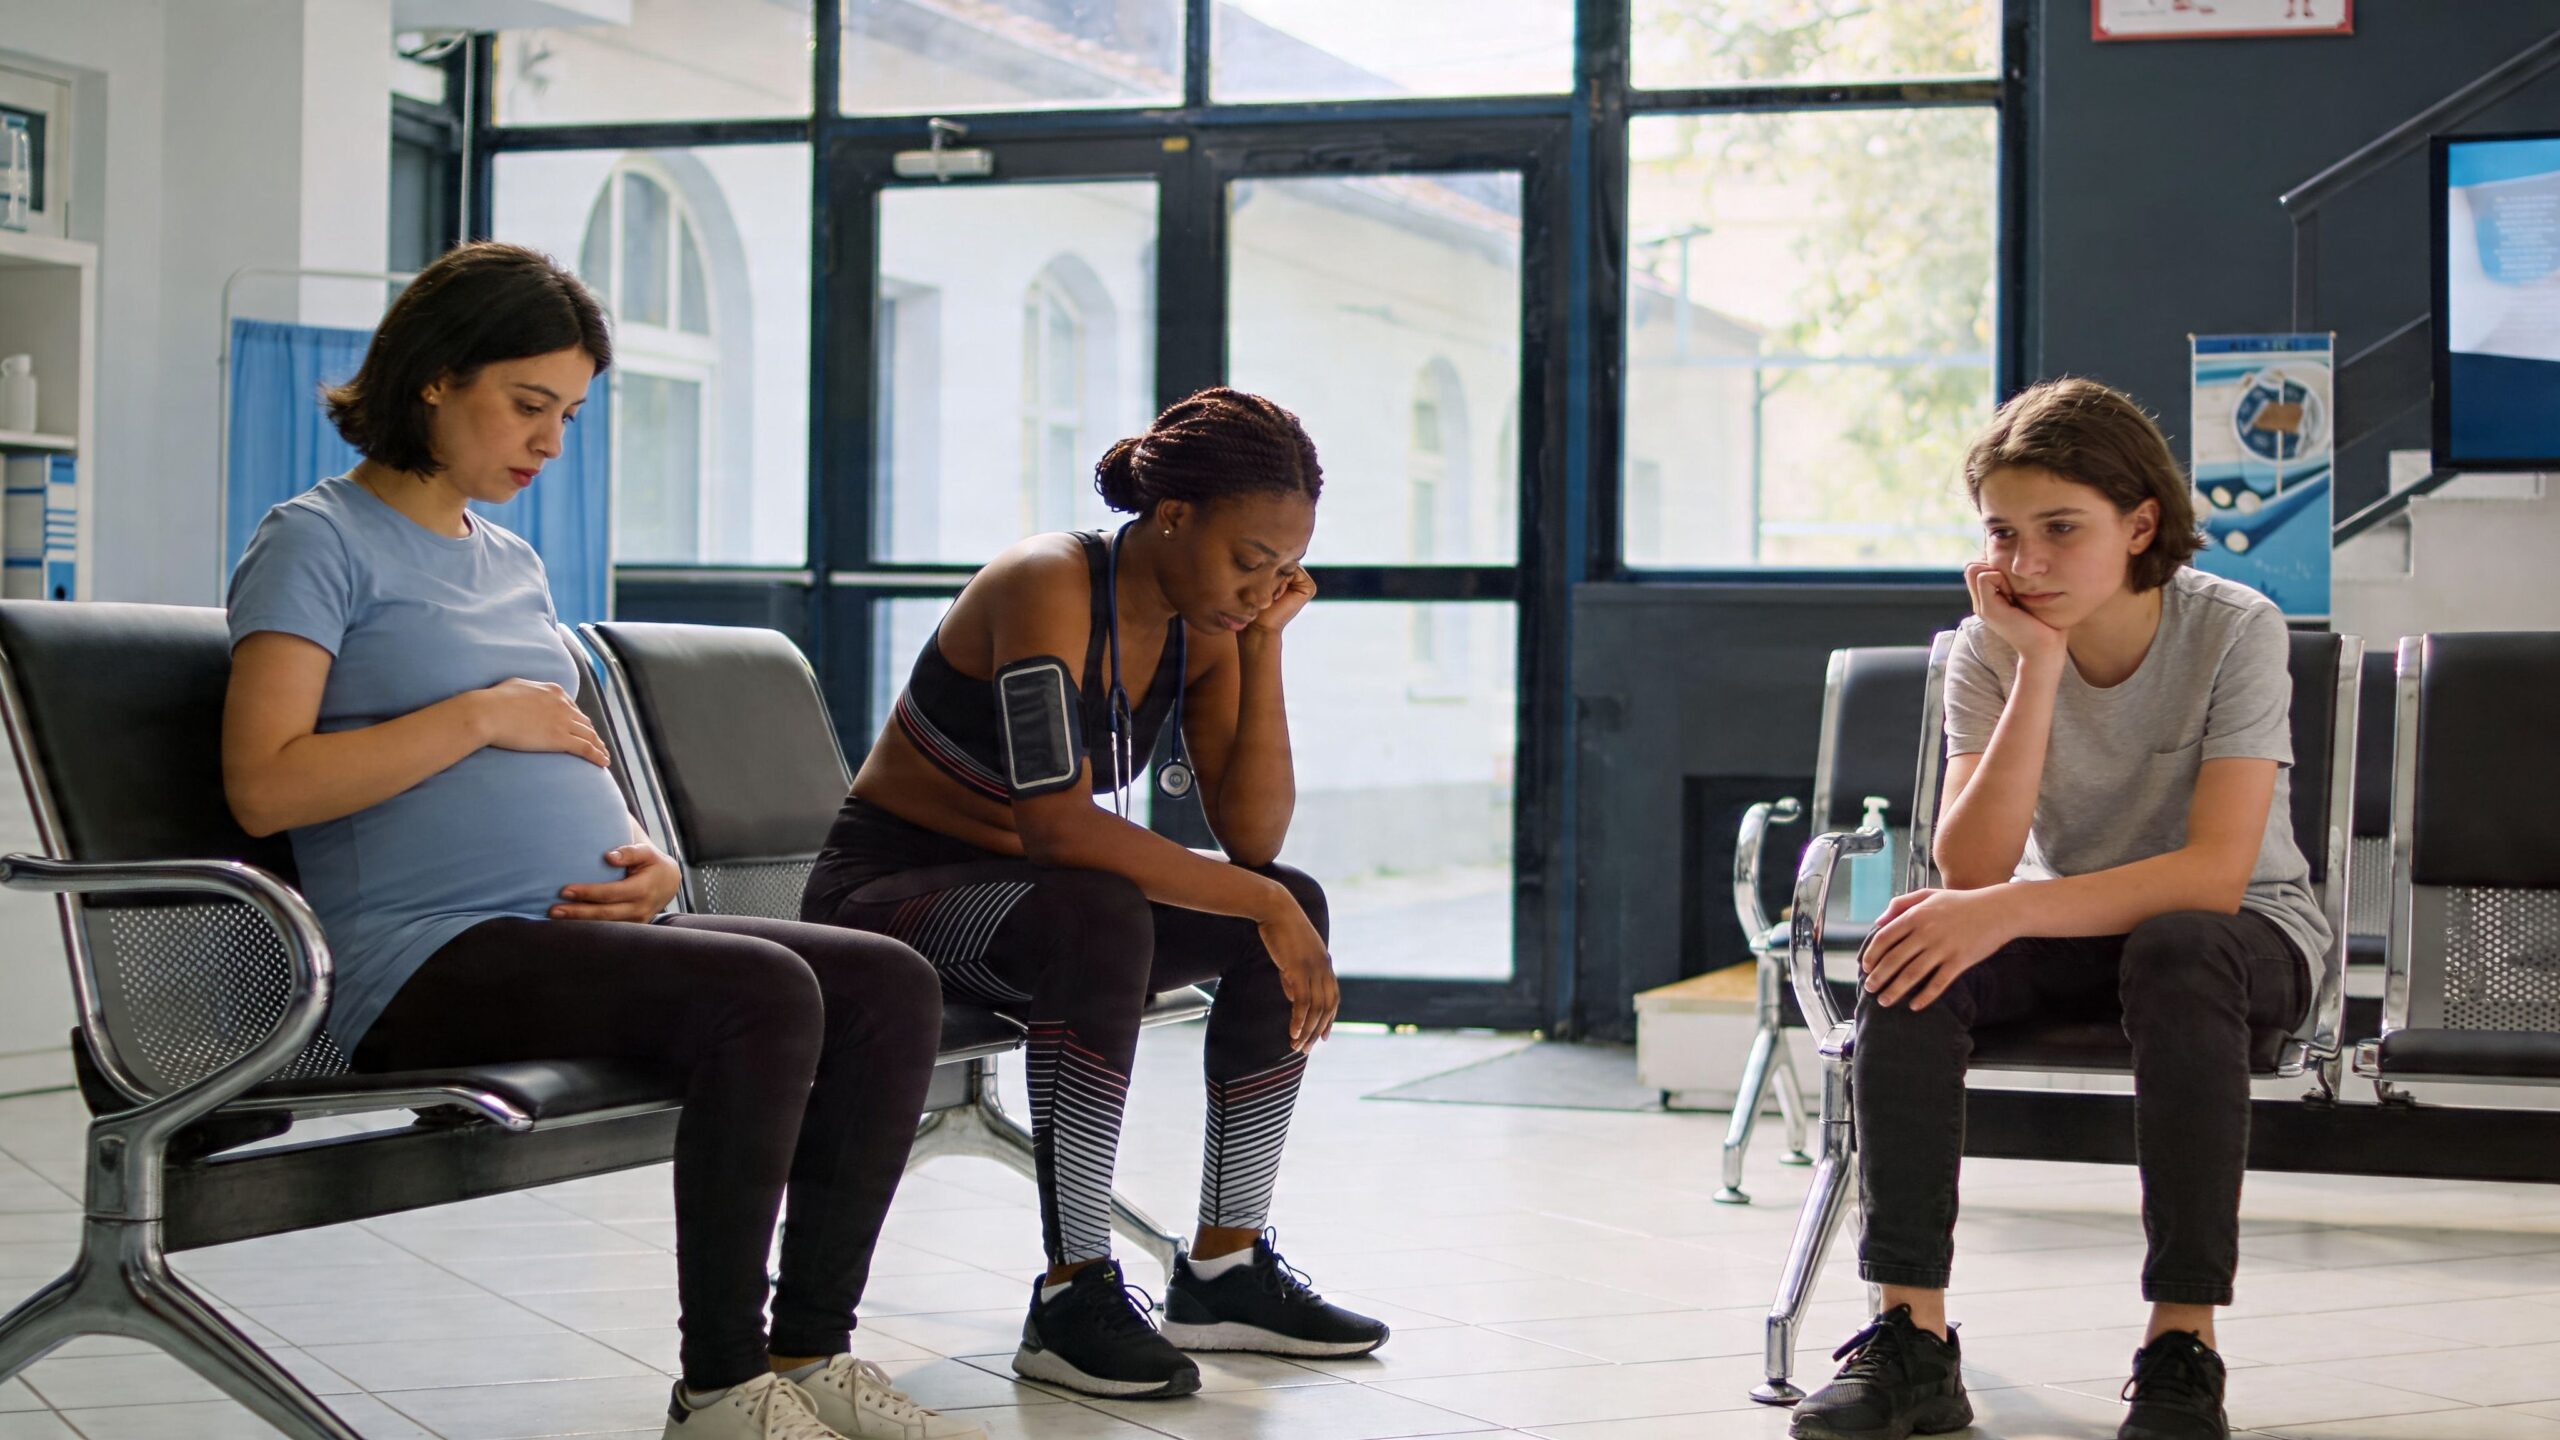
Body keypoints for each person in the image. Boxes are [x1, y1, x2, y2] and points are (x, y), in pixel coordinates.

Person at [222, 241, 981, 1440]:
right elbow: (264, 786)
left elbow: (566, 742)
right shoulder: (316, 540)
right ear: (435, 376)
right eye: (528, 406)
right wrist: (474, 715)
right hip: (418, 957)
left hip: (563, 928)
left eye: (567, 414)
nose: (549, 443)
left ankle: (810, 1350)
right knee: (768, 995)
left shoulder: (510, 559)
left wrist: (646, 852)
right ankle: (721, 1383)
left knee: (887, 981)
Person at [803, 387, 1389, 1400]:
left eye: (1280, 571)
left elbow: (1252, 836)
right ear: (1172, 517)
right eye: (1246, 562)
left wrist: (1260, 645)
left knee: (1282, 894)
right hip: (888, 896)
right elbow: (1058, 825)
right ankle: (1073, 1291)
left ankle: (1224, 1271)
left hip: (1039, 902)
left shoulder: (1207, 624)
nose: (1259, 588)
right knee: (1113, 906)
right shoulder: (1046, 584)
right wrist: (1259, 901)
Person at [1790, 378, 2327, 1440]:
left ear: (2138, 526)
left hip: (2236, 936)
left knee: (2177, 946)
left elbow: (2215, 873)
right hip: (2059, 920)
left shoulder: (2235, 628)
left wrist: (2000, 911)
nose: (2024, 562)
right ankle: (1912, 1336)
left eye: (2060, 529)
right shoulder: (1988, 643)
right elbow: (1975, 860)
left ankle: (2182, 1345)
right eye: (2001, 533)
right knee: (1912, 951)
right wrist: (2033, 665)